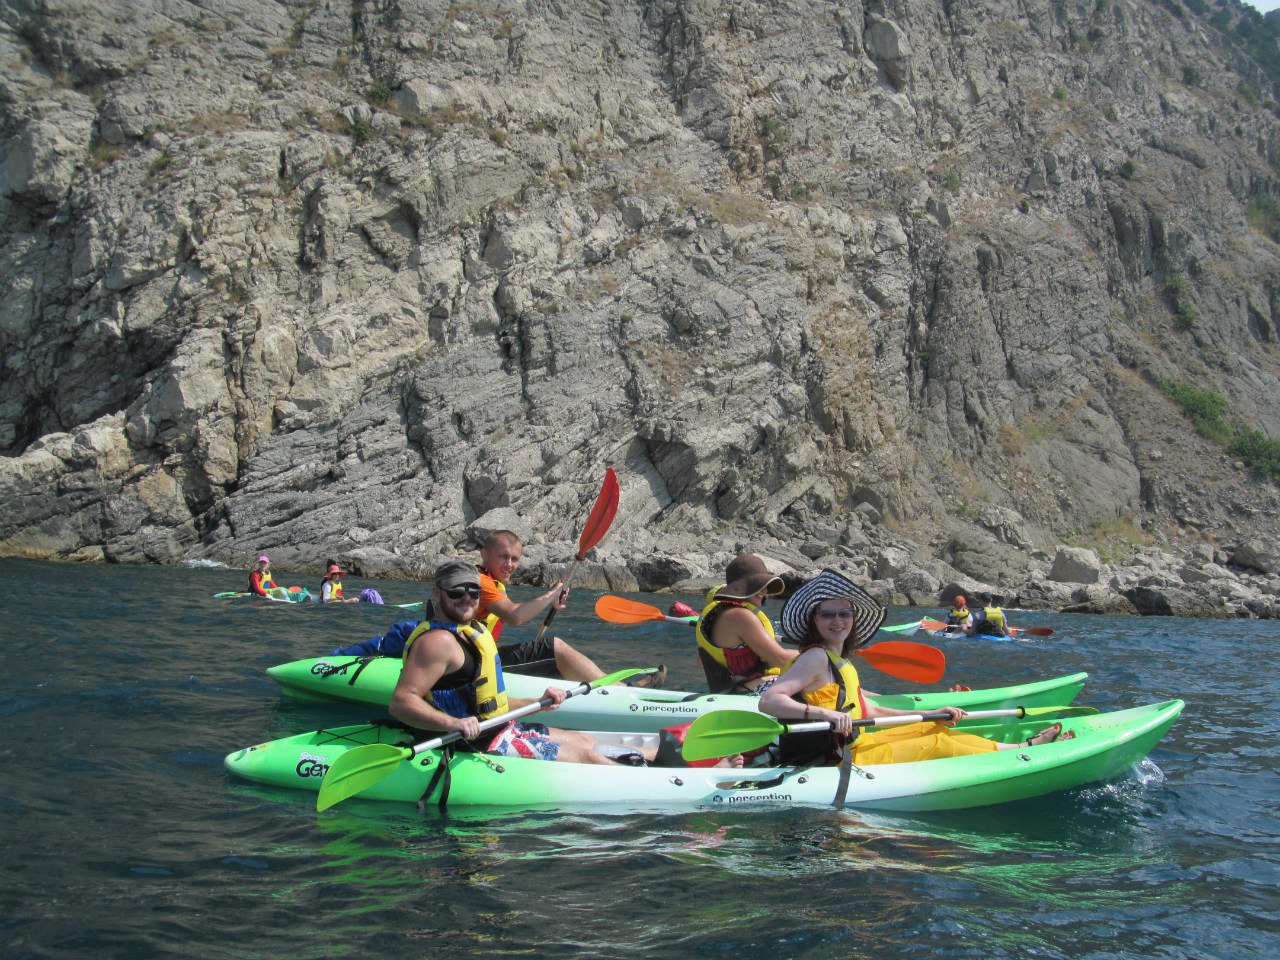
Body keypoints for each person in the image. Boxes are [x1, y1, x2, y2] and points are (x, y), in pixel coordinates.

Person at [389, 561, 739, 768]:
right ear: (437, 595)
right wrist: (453, 722)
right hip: (471, 745)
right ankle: (680, 768)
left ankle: (670, 752)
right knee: (590, 757)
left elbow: (485, 704)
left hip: (495, 731)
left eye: (473, 591)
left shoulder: (470, 632)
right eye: (456, 592)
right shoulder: (438, 642)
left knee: (584, 739)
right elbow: (402, 701)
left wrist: (534, 702)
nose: (467, 598)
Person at [759, 570, 1071, 768]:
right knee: (938, 743)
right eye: (828, 615)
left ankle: (1015, 748)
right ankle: (1021, 750)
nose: (837, 620)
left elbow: (870, 711)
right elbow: (770, 700)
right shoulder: (815, 658)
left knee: (935, 728)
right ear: (814, 620)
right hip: (842, 757)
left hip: (860, 740)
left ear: (853, 619)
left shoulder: (838, 658)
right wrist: (825, 714)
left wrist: (932, 715)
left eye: (844, 613)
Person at [475, 530, 666, 688]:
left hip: (479, 658)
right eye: (503, 557)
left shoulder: (491, 581)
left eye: (514, 559)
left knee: (547, 657)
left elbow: (515, 612)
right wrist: (550, 596)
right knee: (555, 648)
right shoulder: (480, 582)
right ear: (485, 554)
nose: (509, 565)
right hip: (475, 666)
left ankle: (602, 687)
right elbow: (514, 616)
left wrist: (549, 599)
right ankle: (622, 691)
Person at [694, 553, 796, 694]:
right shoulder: (742, 616)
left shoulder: (718, 613)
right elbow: (781, 659)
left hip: (727, 690)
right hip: (745, 692)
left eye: (764, 585)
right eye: (758, 585)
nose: (765, 591)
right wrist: (822, 653)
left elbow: (700, 662)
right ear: (744, 588)